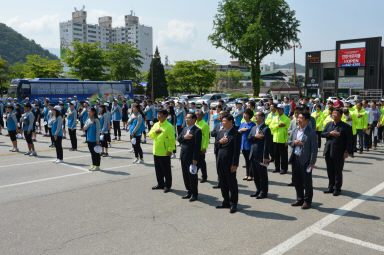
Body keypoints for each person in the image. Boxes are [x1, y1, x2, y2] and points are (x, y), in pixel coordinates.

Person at [288, 111, 318, 209]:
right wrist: (294, 142)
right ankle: (299, 199)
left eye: (301, 118)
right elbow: (289, 141)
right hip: (295, 158)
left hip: (305, 160)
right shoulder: (295, 130)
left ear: (307, 120)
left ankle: (307, 201)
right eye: (298, 118)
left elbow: (314, 149)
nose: (298, 120)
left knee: (307, 182)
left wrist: (312, 163)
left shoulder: (311, 132)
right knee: (297, 181)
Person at [322, 108, 353, 196]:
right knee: (329, 170)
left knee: (338, 171)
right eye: (333, 113)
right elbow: (322, 134)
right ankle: (330, 187)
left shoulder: (346, 126)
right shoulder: (328, 124)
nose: (334, 115)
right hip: (328, 150)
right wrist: (330, 133)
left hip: (339, 152)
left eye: (336, 113)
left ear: (340, 116)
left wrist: (347, 151)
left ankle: (337, 188)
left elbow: (349, 140)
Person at [215, 114, 241, 214]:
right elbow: (216, 146)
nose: (222, 123)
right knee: (222, 182)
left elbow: (236, 150)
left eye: (225, 121)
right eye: (222, 121)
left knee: (232, 183)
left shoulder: (236, 133)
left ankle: (233, 203)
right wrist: (220, 142)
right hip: (220, 161)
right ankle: (226, 201)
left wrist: (235, 164)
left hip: (230, 162)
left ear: (231, 122)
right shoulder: (221, 132)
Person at [148, 109, 176, 193]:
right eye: (157, 114)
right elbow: (150, 134)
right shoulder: (156, 124)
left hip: (165, 152)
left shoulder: (169, 126)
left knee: (166, 170)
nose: (158, 116)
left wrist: (170, 150)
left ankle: (167, 185)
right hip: (156, 151)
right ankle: (160, 183)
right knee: (158, 169)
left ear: (164, 116)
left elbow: (172, 139)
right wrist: (155, 132)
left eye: (159, 114)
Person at [178, 113, 202, 201]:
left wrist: (195, 159)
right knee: (185, 175)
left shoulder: (197, 131)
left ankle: (194, 194)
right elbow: (179, 139)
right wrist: (185, 137)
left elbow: (197, 146)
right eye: (186, 118)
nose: (186, 119)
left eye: (188, 118)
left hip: (191, 157)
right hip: (183, 156)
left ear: (194, 119)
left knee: (192, 176)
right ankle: (189, 191)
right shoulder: (185, 129)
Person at [248, 111, 271, 199]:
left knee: (262, 175)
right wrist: (255, 136)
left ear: (262, 117)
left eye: (257, 116)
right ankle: (258, 190)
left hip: (261, 155)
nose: (255, 117)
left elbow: (267, 144)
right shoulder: (254, 128)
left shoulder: (266, 129)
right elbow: (249, 138)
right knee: (255, 175)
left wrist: (265, 156)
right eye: (255, 116)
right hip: (253, 154)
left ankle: (263, 192)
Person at [270, 104, 290, 174]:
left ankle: (284, 169)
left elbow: (289, 131)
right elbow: (271, 127)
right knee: (276, 155)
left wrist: (287, 140)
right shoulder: (275, 118)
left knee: (283, 156)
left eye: (280, 109)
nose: (278, 110)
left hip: (283, 140)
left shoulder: (287, 119)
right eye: (277, 109)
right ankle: (277, 168)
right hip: (275, 139)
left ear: (283, 110)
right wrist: (278, 125)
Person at [238, 108, 256, 181]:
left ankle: (251, 175)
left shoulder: (252, 124)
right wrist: (241, 130)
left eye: (246, 114)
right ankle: (247, 174)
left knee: (250, 160)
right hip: (243, 144)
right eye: (244, 114)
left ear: (250, 116)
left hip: (250, 144)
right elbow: (238, 132)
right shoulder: (242, 123)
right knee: (246, 160)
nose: (244, 115)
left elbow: (253, 134)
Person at [195, 109, 210, 183]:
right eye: (196, 114)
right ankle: (195, 173)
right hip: (194, 146)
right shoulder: (194, 123)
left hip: (201, 147)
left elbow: (206, 137)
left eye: (198, 114)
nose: (196, 116)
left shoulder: (204, 124)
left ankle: (204, 176)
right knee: (195, 161)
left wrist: (204, 147)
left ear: (201, 115)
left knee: (201, 162)